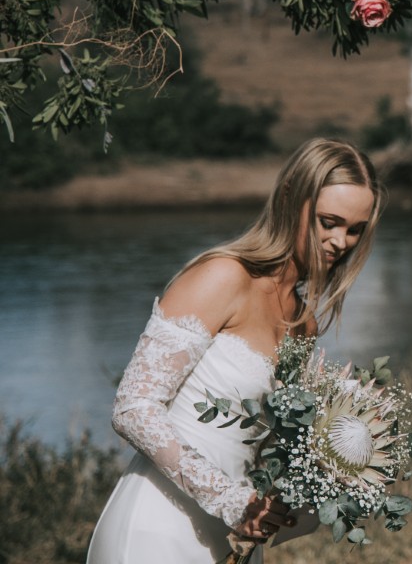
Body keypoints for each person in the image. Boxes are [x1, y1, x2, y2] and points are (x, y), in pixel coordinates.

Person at [87, 138, 384, 564]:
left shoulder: (305, 324)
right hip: (158, 526)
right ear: (289, 200)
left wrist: (336, 466)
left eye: (355, 229)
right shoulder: (223, 277)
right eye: (329, 222)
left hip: (234, 539)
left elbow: (268, 445)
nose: (341, 242)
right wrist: (229, 500)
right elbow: (134, 407)